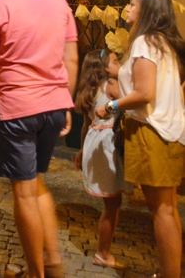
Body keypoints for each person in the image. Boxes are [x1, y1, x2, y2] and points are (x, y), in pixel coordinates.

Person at [0, 0, 78, 278]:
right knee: (37, 183)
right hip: (52, 107)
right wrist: (66, 102)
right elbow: (71, 58)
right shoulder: (58, 2)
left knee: (24, 193)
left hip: (17, 107)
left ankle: (36, 273)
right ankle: (53, 261)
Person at [95, 0, 185, 278]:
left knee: (161, 211)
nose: (127, 8)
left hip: (151, 132)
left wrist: (111, 106)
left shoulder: (145, 42)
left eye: (132, 3)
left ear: (146, 10)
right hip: (169, 130)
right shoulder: (163, 43)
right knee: (168, 208)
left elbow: (144, 93)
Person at [74, 49, 130, 271]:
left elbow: (86, 126)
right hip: (108, 146)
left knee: (111, 203)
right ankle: (103, 253)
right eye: (116, 61)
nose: (120, 64)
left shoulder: (89, 90)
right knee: (112, 205)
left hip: (93, 143)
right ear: (104, 68)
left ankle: (103, 251)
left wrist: (80, 151)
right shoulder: (111, 85)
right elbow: (130, 101)